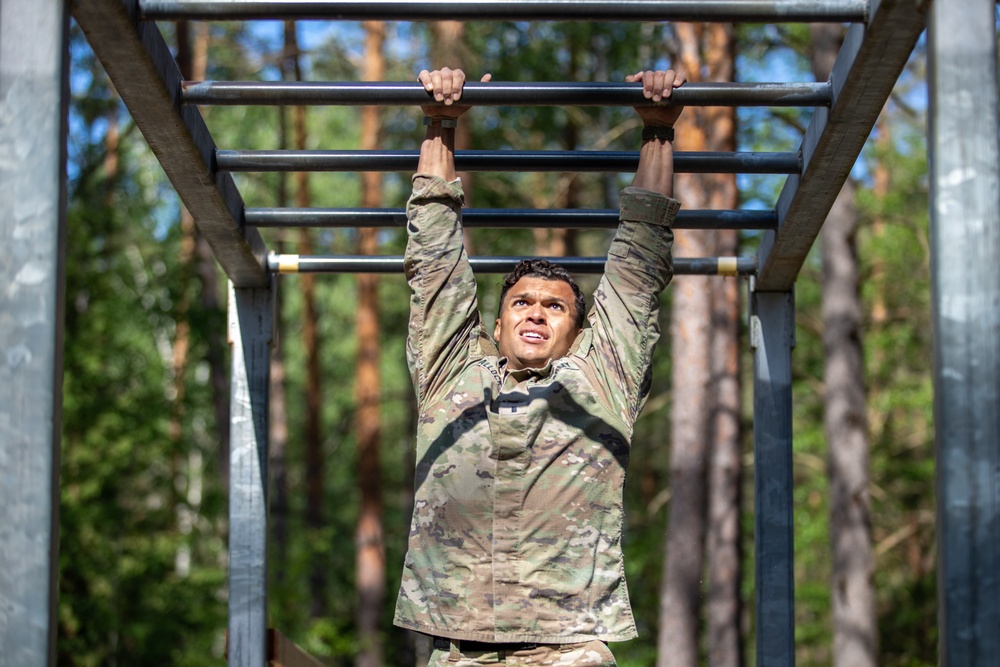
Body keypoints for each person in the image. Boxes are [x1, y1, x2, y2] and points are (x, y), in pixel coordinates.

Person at [394, 65, 685, 666]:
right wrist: (440, 123)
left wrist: (657, 130)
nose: (535, 314)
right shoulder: (452, 372)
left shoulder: (600, 376)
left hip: (569, 647)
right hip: (458, 647)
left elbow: (637, 265)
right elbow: (434, 257)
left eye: (554, 306)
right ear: (495, 326)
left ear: (577, 332)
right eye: (520, 302)